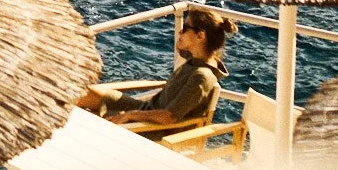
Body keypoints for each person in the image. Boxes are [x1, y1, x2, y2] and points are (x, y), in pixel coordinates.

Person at [76, 8, 237, 130]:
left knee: (85, 117)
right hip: (143, 109)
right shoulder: (196, 61)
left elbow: (169, 117)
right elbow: (183, 50)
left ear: (200, 36)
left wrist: (130, 115)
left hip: (152, 126)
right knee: (83, 93)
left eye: (185, 28)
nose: (179, 31)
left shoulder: (202, 76)